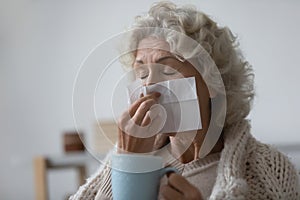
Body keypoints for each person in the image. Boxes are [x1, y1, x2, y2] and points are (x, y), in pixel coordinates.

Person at [70, 2, 299, 200]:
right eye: (141, 74)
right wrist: (127, 164)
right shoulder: (124, 158)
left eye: (168, 70)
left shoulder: (268, 172)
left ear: (213, 81)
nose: (148, 85)